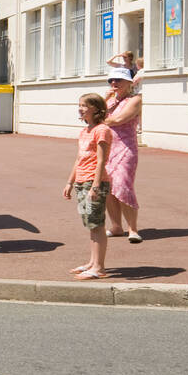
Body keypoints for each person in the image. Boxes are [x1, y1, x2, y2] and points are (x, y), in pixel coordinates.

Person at [64, 93, 113, 280]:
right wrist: (70, 182)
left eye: (84, 105)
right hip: (81, 182)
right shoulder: (85, 132)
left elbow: (101, 161)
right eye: (80, 105)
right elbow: (79, 159)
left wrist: (95, 185)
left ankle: (99, 267)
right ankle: (92, 262)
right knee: (90, 224)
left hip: (93, 182)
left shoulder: (102, 130)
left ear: (96, 108)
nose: (80, 108)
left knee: (97, 225)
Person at [102, 67, 143, 242]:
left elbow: (118, 120)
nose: (114, 83)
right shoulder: (109, 102)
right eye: (111, 80)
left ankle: (132, 229)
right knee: (108, 188)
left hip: (126, 147)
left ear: (129, 83)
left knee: (123, 184)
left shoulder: (135, 100)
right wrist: (104, 99)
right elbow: (89, 113)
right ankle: (116, 226)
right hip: (107, 147)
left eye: (118, 80)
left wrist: (99, 118)